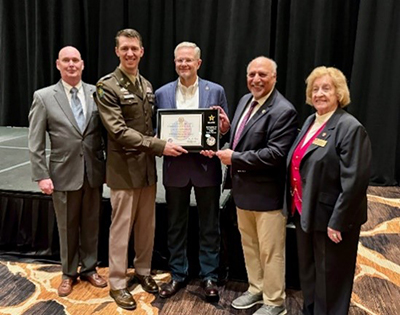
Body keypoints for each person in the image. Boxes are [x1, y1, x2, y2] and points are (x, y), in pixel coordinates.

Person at [94, 29, 186, 310]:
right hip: (123, 171)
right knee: (121, 229)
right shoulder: (107, 86)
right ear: (117, 51)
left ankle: (143, 271)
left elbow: (153, 124)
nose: (130, 53)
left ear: (142, 51)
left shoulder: (146, 85)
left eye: (134, 48)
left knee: (147, 226)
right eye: (125, 48)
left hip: (146, 170)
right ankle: (118, 283)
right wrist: (159, 145)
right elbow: (118, 131)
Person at [283, 66, 372, 315]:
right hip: (305, 211)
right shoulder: (312, 120)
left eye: (326, 88)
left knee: (331, 279)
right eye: (315, 89)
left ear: (339, 93)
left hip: (332, 219)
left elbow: (354, 182)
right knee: (310, 273)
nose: (319, 93)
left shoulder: (350, 127)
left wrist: (338, 221)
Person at [216, 56, 297, 315]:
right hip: (243, 192)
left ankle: (274, 302)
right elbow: (243, 140)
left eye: (262, 74)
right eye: (252, 74)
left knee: (270, 251)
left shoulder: (283, 110)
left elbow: (275, 154)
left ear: (274, 77)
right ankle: (256, 288)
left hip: (267, 195)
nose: (256, 79)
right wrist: (228, 132)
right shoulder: (244, 101)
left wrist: (235, 158)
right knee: (250, 246)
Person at [28, 46, 107, 297]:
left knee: (91, 224)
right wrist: (41, 175)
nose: (71, 64)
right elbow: (35, 140)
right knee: (67, 226)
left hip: (93, 172)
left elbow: (104, 134)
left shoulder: (97, 93)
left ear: (82, 64)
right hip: (62, 174)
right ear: (58, 64)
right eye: (66, 60)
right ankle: (68, 273)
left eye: (75, 60)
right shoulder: (44, 97)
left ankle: (90, 268)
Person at [154, 41, 230, 301]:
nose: (183, 64)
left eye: (188, 60)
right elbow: (158, 132)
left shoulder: (216, 90)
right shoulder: (162, 93)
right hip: (175, 169)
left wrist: (222, 129)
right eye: (179, 60)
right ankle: (178, 274)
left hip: (206, 167)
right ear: (174, 62)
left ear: (198, 63)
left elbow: (222, 129)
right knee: (175, 225)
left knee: (210, 225)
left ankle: (210, 275)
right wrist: (162, 144)